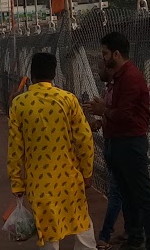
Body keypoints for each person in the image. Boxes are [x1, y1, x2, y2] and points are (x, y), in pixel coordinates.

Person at [8, 52, 97, 250]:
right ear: (54, 74)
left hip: (38, 182)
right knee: (81, 223)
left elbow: (15, 149)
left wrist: (17, 183)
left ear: (32, 75)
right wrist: (87, 172)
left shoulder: (19, 104)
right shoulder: (68, 100)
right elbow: (84, 139)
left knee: (48, 232)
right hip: (69, 177)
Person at [84, 32, 150, 250]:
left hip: (129, 142)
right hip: (118, 142)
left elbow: (126, 115)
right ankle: (135, 237)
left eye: (105, 53)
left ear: (116, 54)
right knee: (128, 194)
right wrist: (105, 110)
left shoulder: (129, 78)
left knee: (143, 196)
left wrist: (103, 110)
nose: (103, 57)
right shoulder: (120, 77)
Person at [96, 87, 150, 248]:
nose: (101, 65)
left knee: (119, 193)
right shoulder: (111, 89)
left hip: (127, 147)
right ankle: (133, 233)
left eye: (104, 62)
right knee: (126, 193)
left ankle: (108, 234)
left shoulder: (130, 84)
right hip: (117, 146)